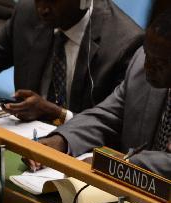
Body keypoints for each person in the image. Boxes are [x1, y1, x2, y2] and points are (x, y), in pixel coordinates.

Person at [0, 0, 142, 123]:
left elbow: (117, 124)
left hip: (80, 154)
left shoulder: (124, 44)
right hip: (23, 137)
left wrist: (58, 114)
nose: (42, 8)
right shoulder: (28, 13)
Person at [34, 8, 171, 177]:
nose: (146, 66)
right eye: (146, 53)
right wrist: (62, 140)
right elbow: (107, 116)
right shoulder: (141, 66)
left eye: (159, 63)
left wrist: (118, 164)